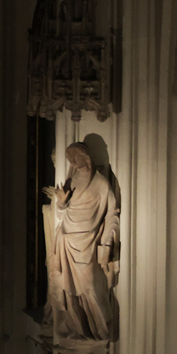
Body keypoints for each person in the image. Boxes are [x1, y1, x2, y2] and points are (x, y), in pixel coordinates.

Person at [51, 142, 119, 341]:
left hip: (87, 242)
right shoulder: (70, 181)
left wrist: (107, 242)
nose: (72, 162)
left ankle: (99, 331)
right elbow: (61, 214)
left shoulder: (101, 184)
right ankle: (77, 330)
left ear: (85, 156)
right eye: (69, 159)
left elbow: (112, 214)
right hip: (66, 240)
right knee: (68, 290)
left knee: (90, 286)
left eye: (74, 157)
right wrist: (61, 203)